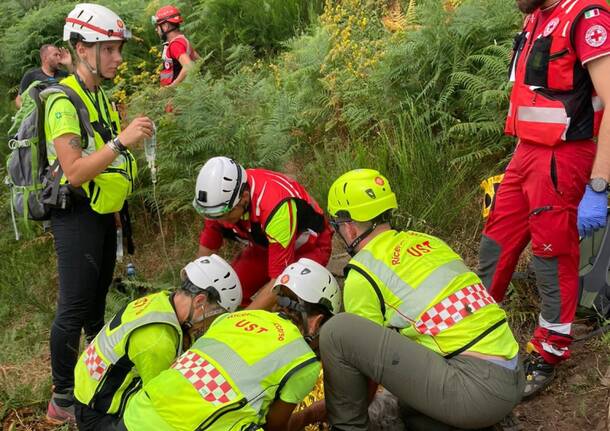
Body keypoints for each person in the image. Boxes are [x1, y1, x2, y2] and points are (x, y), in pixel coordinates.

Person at [314, 169, 523, 431]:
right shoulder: (427, 242)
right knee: (408, 409)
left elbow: (364, 371)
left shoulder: (363, 272)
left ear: (348, 225)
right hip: (513, 375)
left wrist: (325, 411)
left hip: (474, 388)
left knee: (337, 332)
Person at [477, 0, 610, 398]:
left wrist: (599, 185)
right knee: (495, 244)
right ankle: (475, 328)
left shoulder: (587, 18)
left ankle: (547, 353)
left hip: (564, 155)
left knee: (552, 256)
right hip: (527, 153)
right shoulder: (536, 17)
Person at [44, 3, 155, 424]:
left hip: (102, 213)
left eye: (117, 49)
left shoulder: (100, 97)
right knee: (73, 307)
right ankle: (62, 398)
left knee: (94, 304)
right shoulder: (61, 100)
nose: (117, 57)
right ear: (81, 48)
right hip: (75, 215)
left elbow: (106, 154)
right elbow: (72, 171)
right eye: (108, 49)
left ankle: (94, 376)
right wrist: (124, 141)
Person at [119, 258, 342, 431]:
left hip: (137, 415)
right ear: (317, 322)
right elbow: (275, 427)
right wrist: (312, 414)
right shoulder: (303, 360)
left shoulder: (229, 319)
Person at [73, 255, 242, 431]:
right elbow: (162, 403)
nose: (208, 325)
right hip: (100, 416)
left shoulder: (161, 301)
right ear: (200, 301)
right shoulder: (158, 340)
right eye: (214, 315)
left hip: (91, 396)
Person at [193, 156, 333, 310]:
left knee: (287, 306)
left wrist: (240, 321)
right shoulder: (221, 202)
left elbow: (279, 282)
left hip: (310, 246)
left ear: (244, 198)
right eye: (213, 215)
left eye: (223, 214)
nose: (219, 221)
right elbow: (205, 254)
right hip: (265, 246)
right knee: (227, 292)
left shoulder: (275, 207)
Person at [152, 5, 198, 87]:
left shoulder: (175, 45)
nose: (156, 30)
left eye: (157, 26)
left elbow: (189, 66)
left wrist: (172, 87)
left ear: (165, 26)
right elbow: (198, 60)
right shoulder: (182, 40)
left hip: (176, 95)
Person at [15, 44, 73, 108]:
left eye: (59, 55)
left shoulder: (63, 74)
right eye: (55, 55)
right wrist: (29, 111)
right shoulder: (31, 75)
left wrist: (69, 65)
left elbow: (78, 84)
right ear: (45, 58)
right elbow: (18, 99)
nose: (59, 58)